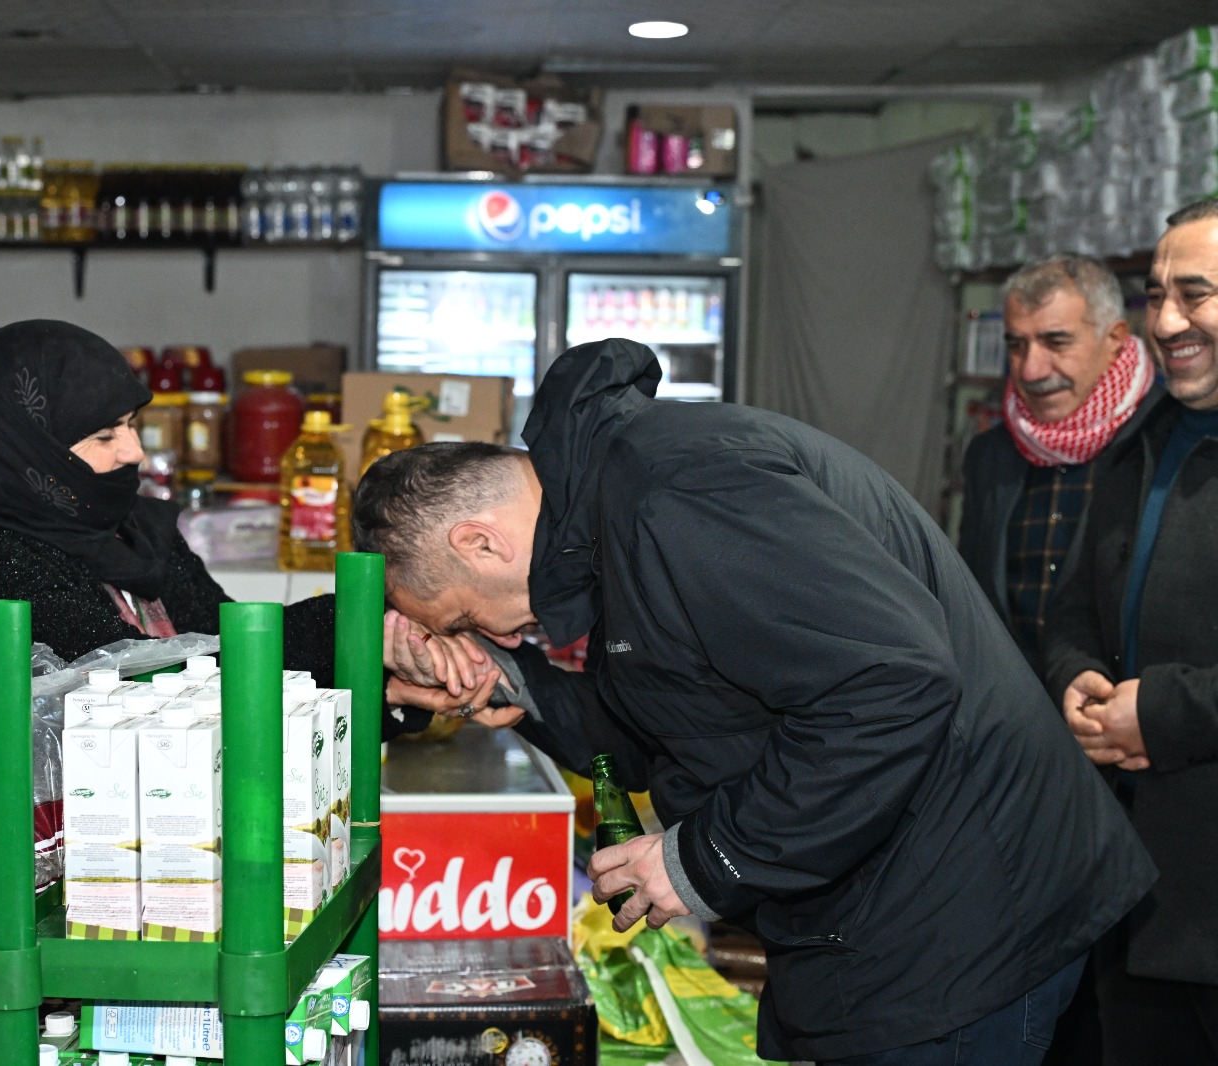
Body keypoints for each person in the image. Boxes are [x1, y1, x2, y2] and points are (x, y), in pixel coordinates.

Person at [352, 337, 1155, 1065]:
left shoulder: (678, 492)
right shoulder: (610, 516)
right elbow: (657, 732)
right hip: (894, 909)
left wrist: (705, 860)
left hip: (959, 913)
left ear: (480, 541)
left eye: (462, 617)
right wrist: (514, 681)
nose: (485, 633)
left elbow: (891, 686)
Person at [0, 319, 495, 730]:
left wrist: (386, 688)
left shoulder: (130, 530)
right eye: (105, 436)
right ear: (24, 448)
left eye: (131, 426)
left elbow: (226, 645)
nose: (135, 452)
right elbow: (150, 692)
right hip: (9, 873)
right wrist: (360, 628)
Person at [1044, 198, 1218, 1065]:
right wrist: (1074, 674)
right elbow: (1074, 606)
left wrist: (1161, 713)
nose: (1169, 321)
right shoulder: (1144, 439)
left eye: (1196, 294)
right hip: (1135, 895)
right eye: (1156, 295)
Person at [959, 255, 1159, 675]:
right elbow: (970, 596)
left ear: (1115, 339)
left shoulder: (1162, 443)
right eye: (1017, 345)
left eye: (1056, 342)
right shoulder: (989, 455)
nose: (1031, 370)